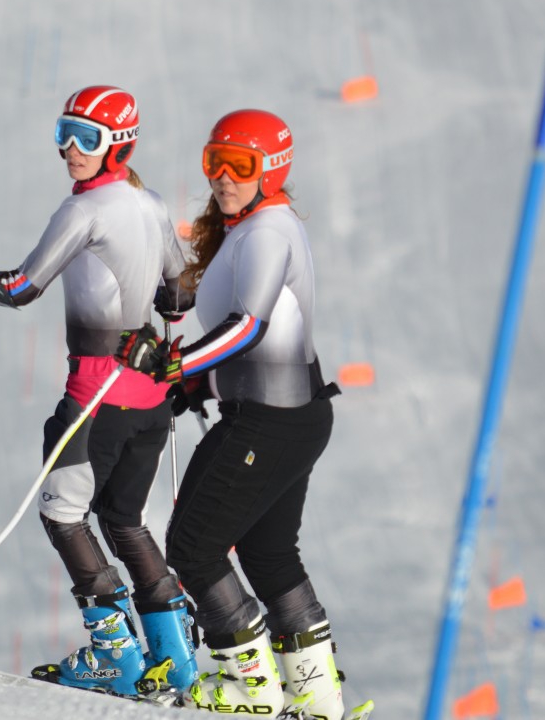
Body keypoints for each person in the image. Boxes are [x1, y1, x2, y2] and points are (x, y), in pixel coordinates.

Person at [0, 85, 199, 698]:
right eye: (63, 133)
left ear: (118, 145)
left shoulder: (84, 211)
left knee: (62, 514)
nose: (71, 149)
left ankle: (116, 655)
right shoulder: (150, 203)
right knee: (124, 520)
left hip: (97, 397)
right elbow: (179, 297)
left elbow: (22, 288)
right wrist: (146, 293)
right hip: (150, 401)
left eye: (86, 138)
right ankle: (175, 657)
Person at [118, 109, 369, 719]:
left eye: (240, 165)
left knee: (193, 546)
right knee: (269, 552)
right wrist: (197, 381)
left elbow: (249, 327)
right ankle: (316, 695)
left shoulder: (267, 232)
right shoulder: (248, 227)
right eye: (215, 163)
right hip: (286, 416)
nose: (224, 177)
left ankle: (250, 688)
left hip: (269, 421)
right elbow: (257, 334)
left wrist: (173, 364)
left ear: (270, 170)